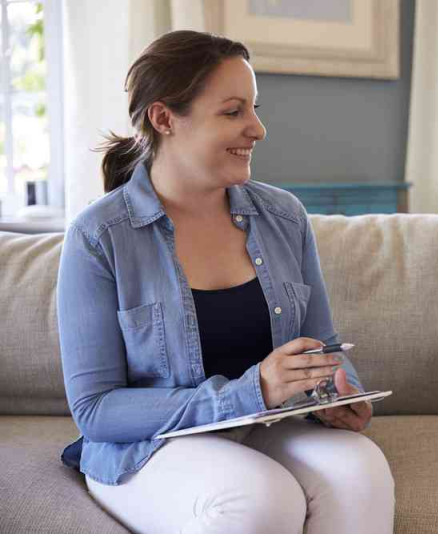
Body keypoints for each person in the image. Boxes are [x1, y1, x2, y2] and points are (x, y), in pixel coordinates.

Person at [57, 30, 394, 534]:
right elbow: (96, 411)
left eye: (255, 109)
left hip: (262, 426)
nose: (257, 128)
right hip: (149, 445)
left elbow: (322, 346)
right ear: (165, 118)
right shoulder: (99, 236)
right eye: (233, 111)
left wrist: (337, 393)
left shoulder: (283, 217)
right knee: (260, 499)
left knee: (362, 471)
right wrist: (250, 390)